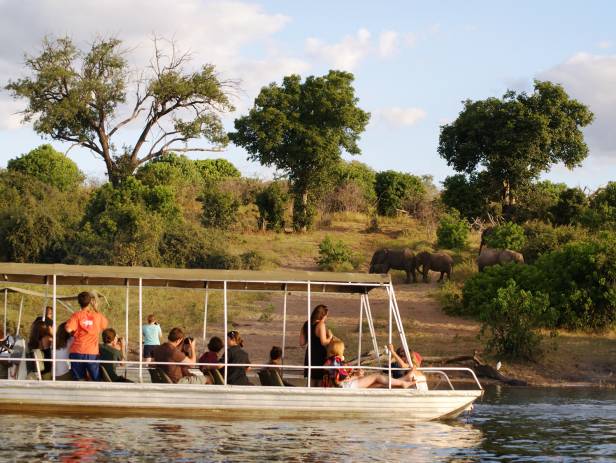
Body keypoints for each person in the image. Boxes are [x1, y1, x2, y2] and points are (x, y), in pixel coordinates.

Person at [323, 339, 413, 389]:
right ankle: (403, 383)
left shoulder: (331, 361)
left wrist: (355, 374)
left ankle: (402, 381)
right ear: (338, 350)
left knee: (377, 383)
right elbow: (340, 380)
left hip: (345, 385)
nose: (343, 351)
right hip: (345, 387)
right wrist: (357, 376)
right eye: (342, 349)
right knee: (376, 376)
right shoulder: (335, 361)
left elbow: (341, 375)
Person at [65, 292, 109, 381]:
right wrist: (96, 309)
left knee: (78, 379)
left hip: (77, 351)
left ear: (79, 302)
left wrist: (75, 332)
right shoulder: (97, 316)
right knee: (96, 378)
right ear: (90, 302)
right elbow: (105, 325)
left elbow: (68, 329)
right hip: (92, 352)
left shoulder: (76, 315)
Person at [299, 304, 333, 386]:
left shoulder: (306, 324)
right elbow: (324, 342)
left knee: (311, 379)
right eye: (326, 315)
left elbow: (302, 343)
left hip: (310, 354)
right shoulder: (321, 324)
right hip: (319, 355)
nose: (326, 318)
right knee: (320, 380)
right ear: (323, 315)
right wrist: (330, 337)